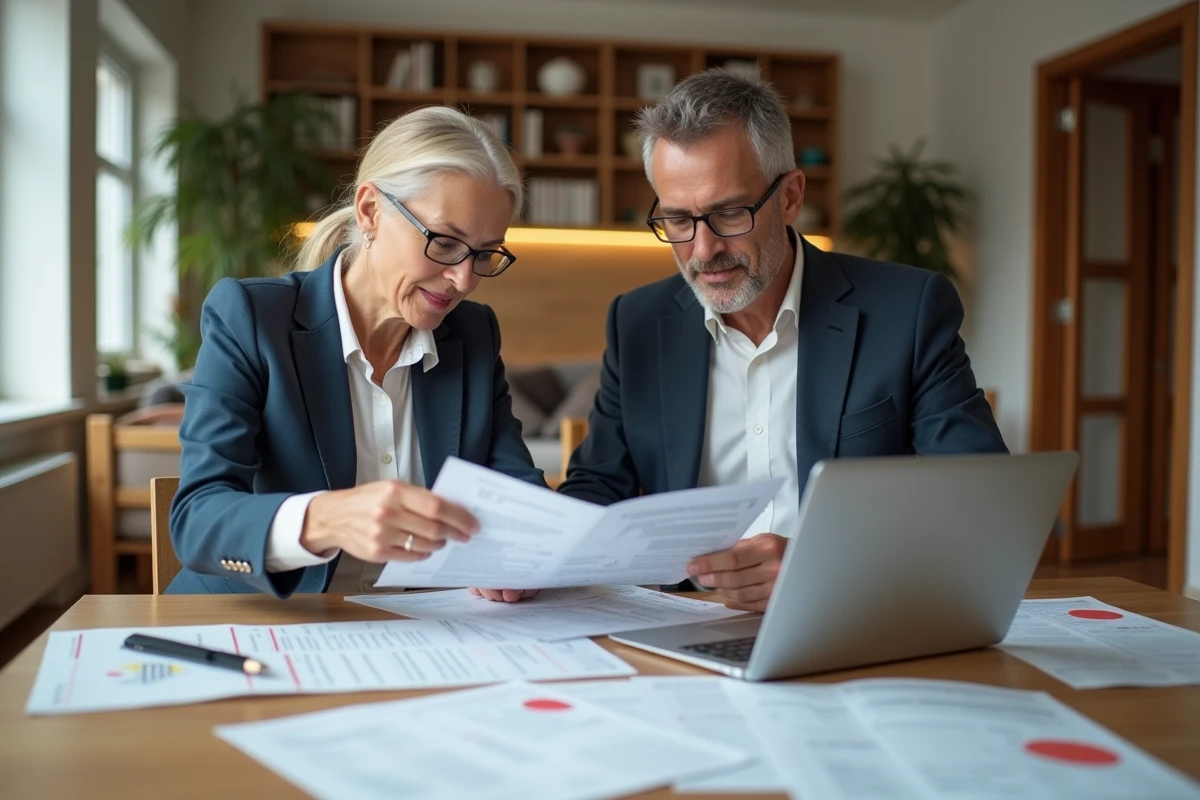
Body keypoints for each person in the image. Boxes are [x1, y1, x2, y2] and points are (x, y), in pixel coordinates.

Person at [557, 70, 1007, 612]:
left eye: (728, 213)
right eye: (677, 219)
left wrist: (824, 566)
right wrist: (537, 558)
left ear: (790, 196)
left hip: (850, 612)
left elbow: (982, 504)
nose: (702, 251)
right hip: (682, 626)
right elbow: (597, 485)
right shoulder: (636, 321)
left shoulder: (907, 310)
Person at [167, 106, 543, 600]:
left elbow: (517, 487)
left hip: (423, 634)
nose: (465, 279)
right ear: (370, 211)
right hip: (257, 624)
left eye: (485, 253)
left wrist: (522, 551)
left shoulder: (471, 335)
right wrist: (325, 518)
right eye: (446, 243)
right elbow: (197, 518)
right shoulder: (253, 318)